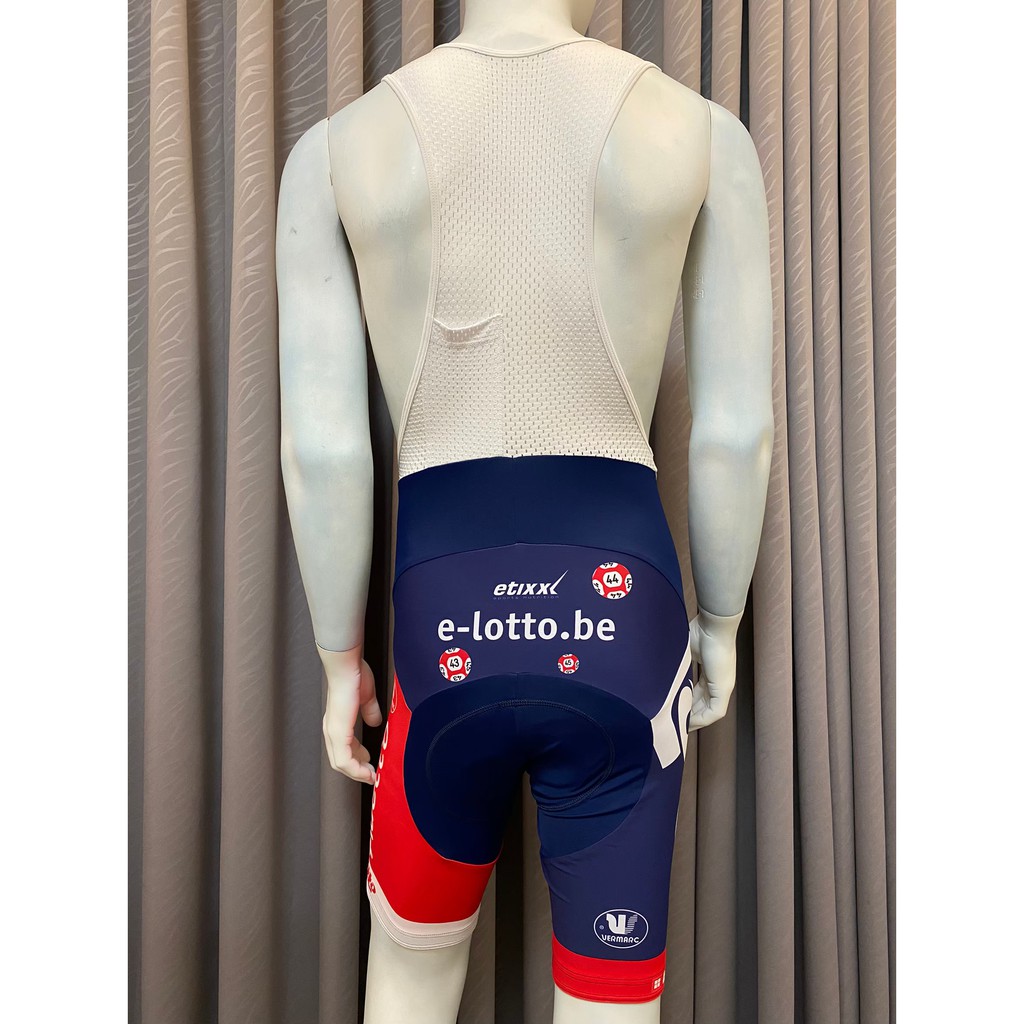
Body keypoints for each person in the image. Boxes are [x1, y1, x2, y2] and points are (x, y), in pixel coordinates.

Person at [275, 2, 772, 1021]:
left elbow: (326, 451)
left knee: (410, 978)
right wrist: (720, 623)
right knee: (611, 996)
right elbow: (733, 433)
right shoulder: (702, 133)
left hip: (442, 623)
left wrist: (339, 662)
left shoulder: (336, 150)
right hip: (623, 614)